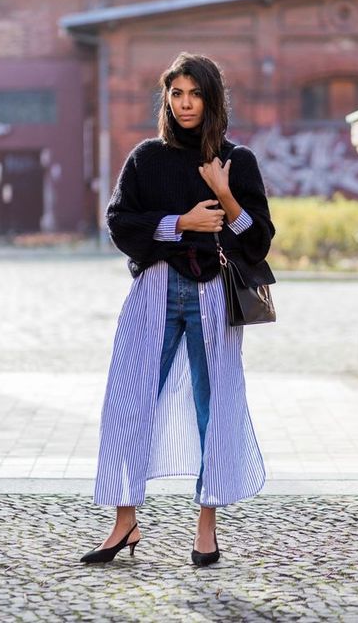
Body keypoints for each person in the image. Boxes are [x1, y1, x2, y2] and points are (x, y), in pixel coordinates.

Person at [80, 52, 275, 567]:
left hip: (215, 299)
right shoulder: (146, 157)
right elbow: (120, 223)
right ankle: (125, 523)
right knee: (130, 403)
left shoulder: (239, 160)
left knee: (214, 409)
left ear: (211, 99)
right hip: (155, 295)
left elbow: (258, 244)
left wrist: (226, 197)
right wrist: (181, 222)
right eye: (176, 93)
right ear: (167, 98)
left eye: (195, 94)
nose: (185, 104)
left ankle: (206, 525)